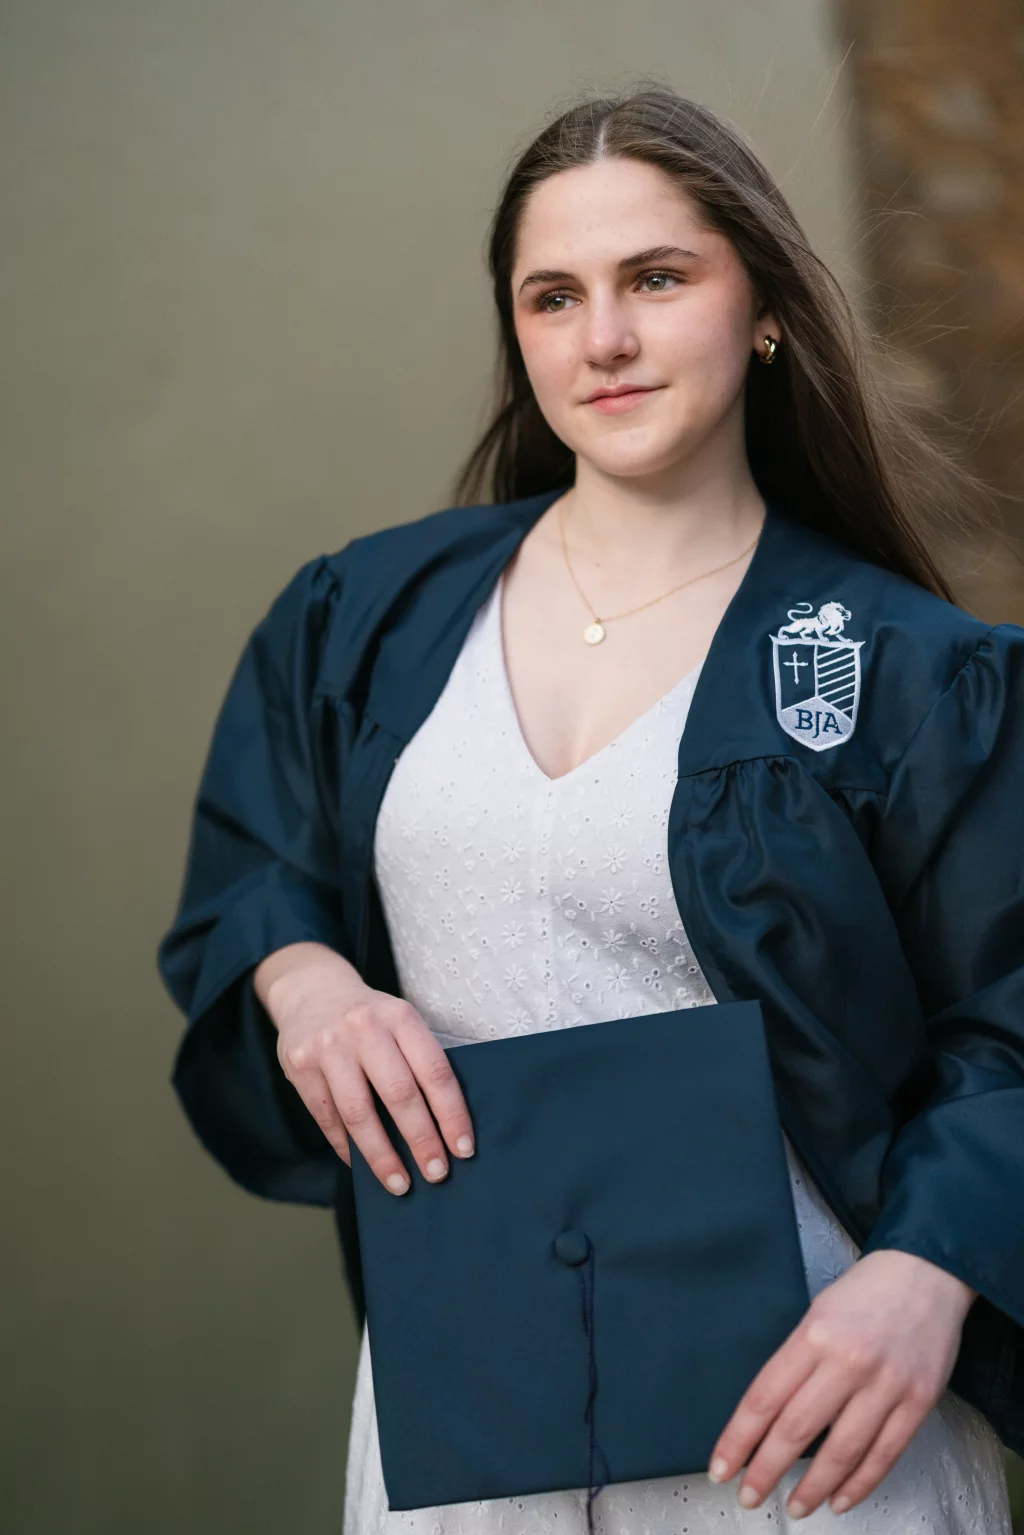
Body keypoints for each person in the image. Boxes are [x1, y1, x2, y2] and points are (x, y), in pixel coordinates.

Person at [156, 85, 1024, 1532]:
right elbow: (258, 869)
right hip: (466, 1416)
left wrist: (925, 1273)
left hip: (812, 1419)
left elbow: (1011, 1014)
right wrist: (308, 986)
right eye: (553, 297)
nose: (602, 337)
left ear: (765, 310)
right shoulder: (363, 617)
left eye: (657, 279)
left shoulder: (909, 675)